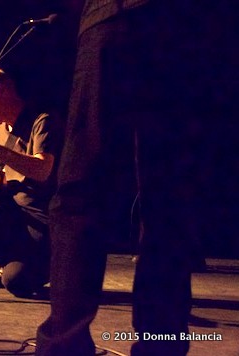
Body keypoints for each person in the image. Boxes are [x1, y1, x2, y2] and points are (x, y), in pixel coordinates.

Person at [35, 1, 238, 355]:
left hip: (112, 17)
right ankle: (161, 344)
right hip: (187, 26)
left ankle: (63, 344)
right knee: (170, 199)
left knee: (79, 194)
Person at [0, 67, 62, 297]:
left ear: (4, 90)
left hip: (42, 223)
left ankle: (56, 265)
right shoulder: (1, 128)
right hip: (16, 217)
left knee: (16, 282)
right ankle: (8, 262)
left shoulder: (41, 121)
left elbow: (43, 169)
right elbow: (9, 178)